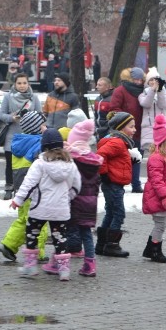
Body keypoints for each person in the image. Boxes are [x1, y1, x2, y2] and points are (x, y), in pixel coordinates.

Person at [11, 128, 81, 280]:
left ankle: (30, 266)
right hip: (61, 210)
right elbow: (76, 186)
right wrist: (67, 198)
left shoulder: (39, 164)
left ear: (44, 146)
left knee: (32, 235)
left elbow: (28, 184)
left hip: (39, 209)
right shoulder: (71, 165)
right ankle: (64, 270)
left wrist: (18, 200)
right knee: (60, 237)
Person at [0, 110, 50, 262]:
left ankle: (9, 245)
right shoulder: (39, 144)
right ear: (38, 127)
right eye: (44, 124)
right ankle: (38, 252)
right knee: (40, 221)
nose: (46, 127)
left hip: (21, 189)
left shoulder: (19, 142)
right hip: (35, 191)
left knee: (23, 219)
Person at [96, 111, 141, 257]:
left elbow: (116, 160)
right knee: (118, 213)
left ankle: (101, 244)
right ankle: (112, 245)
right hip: (113, 183)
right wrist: (104, 174)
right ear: (121, 128)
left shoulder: (120, 142)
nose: (134, 130)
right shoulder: (117, 142)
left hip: (115, 183)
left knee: (110, 212)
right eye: (131, 127)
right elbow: (101, 155)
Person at [64, 119, 102, 277]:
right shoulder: (94, 161)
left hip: (75, 201)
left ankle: (58, 261)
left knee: (63, 231)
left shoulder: (74, 161)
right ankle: (90, 264)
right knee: (86, 233)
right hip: (90, 203)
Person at [141, 115, 166, 263]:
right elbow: (156, 181)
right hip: (158, 197)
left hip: (164, 196)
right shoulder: (157, 158)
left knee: (163, 223)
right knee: (160, 224)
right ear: (163, 139)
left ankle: (150, 248)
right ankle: (155, 251)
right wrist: (165, 197)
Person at [0, 72, 42, 199]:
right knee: (10, 163)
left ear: (28, 83)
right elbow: (1, 115)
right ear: (15, 84)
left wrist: (31, 119)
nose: (22, 86)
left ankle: (25, 188)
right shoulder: (8, 96)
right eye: (19, 83)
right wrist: (12, 118)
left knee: (28, 164)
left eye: (24, 83)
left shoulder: (34, 97)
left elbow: (40, 115)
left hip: (30, 137)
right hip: (12, 135)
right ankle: (9, 187)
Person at [111, 67, 145, 192]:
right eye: (136, 79)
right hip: (124, 131)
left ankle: (136, 184)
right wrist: (127, 121)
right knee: (123, 159)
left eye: (141, 80)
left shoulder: (144, 91)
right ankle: (120, 183)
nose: (139, 82)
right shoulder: (120, 91)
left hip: (140, 130)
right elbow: (114, 108)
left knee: (137, 157)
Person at [138, 67, 166, 153]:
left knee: (164, 152)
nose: (153, 82)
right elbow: (146, 104)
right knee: (152, 153)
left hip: (163, 126)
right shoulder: (143, 94)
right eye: (151, 80)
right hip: (148, 127)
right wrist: (152, 91)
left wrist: (160, 90)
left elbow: (163, 105)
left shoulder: (164, 92)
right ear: (147, 82)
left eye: (155, 80)